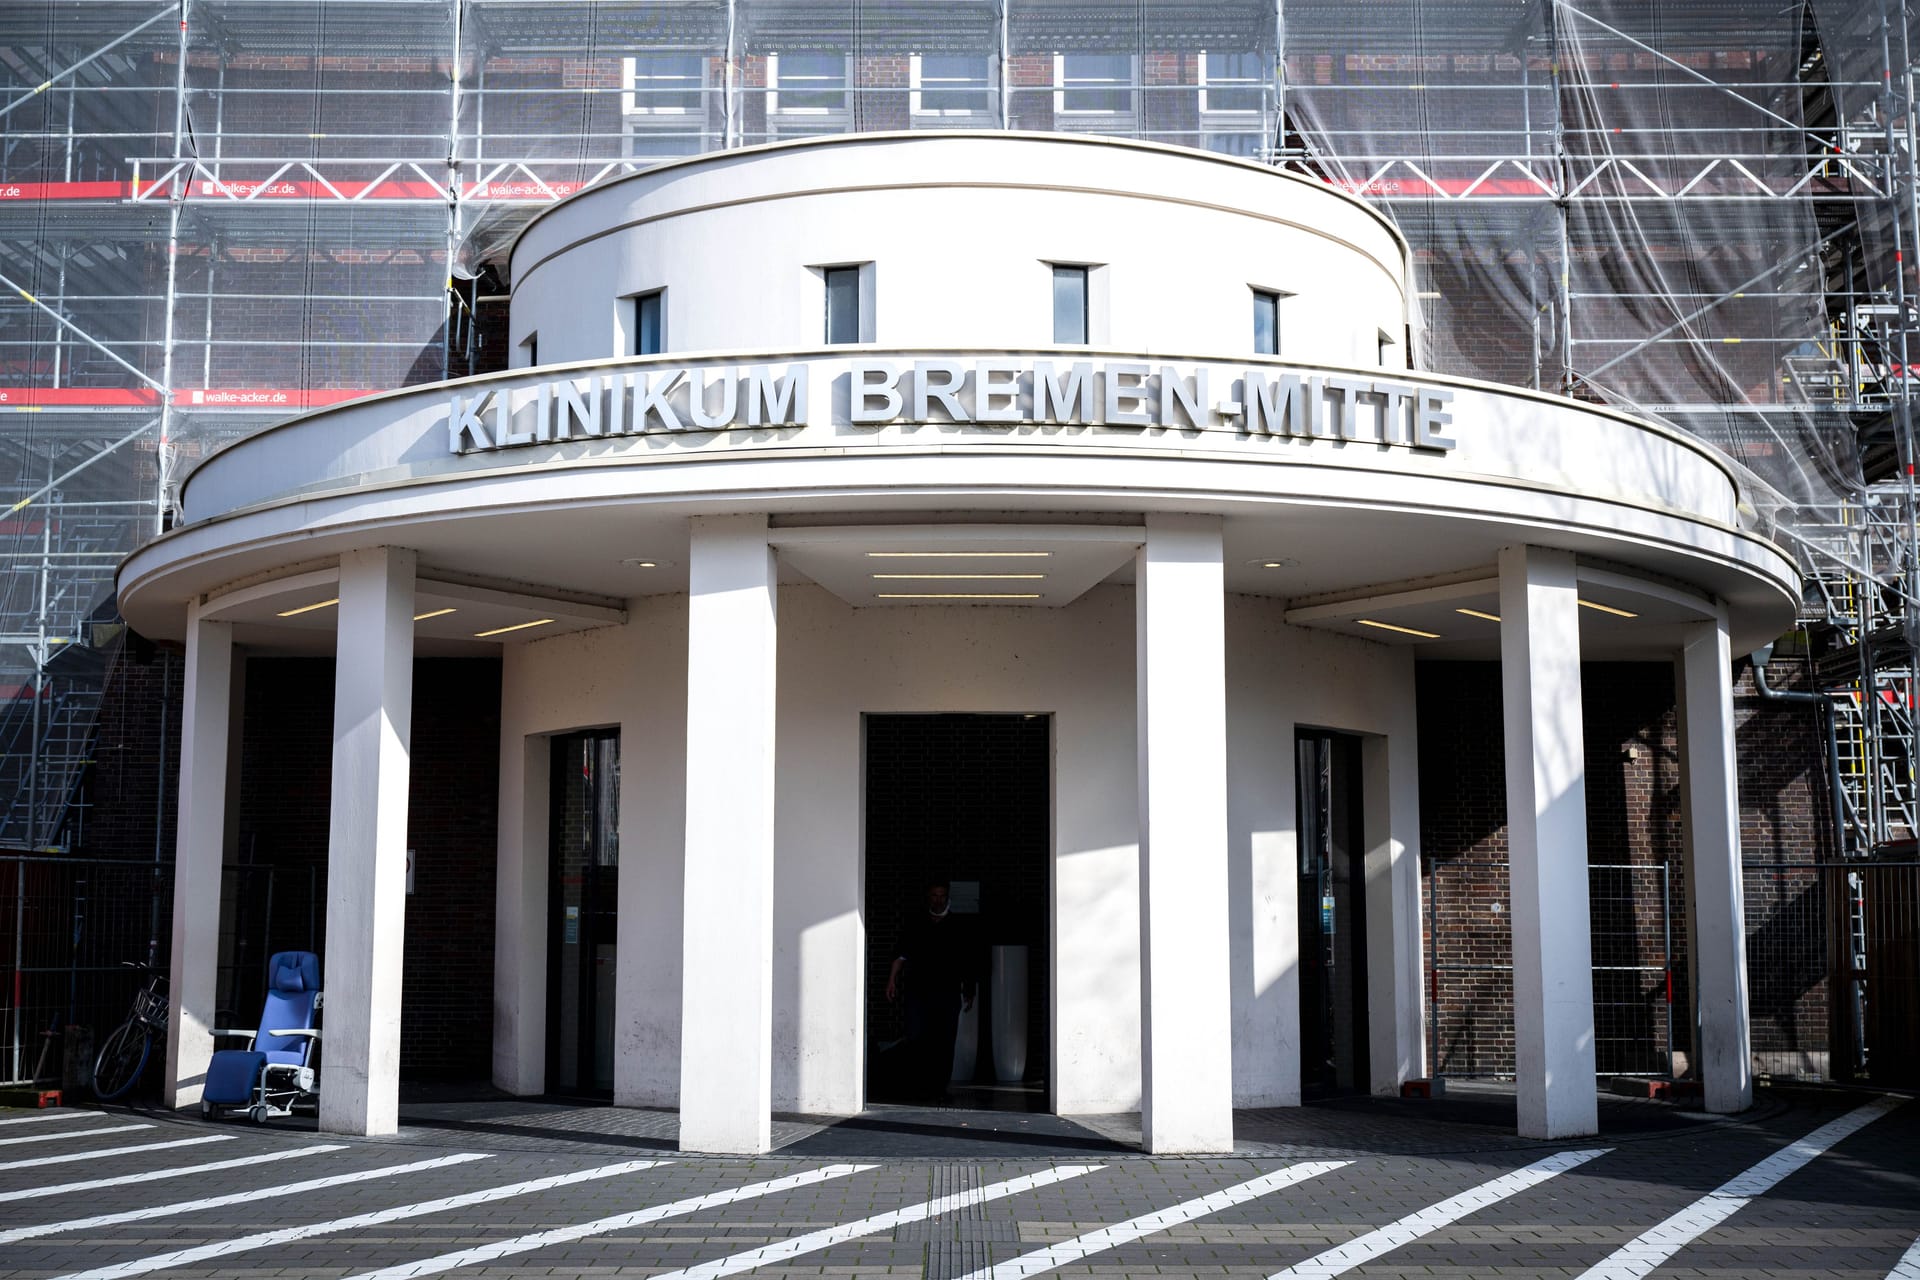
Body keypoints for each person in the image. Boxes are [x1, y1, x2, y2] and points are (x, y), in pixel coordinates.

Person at [886, 879, 977, 1103]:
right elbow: (901, 955)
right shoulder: (916, 923)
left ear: (947, 897)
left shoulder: (957, 926)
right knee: (918, 1037)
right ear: (928, 897)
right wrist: (891, 981)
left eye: (942, 895)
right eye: (934, 895)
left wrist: (969, 989)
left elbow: (967, 961)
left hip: (947, 991)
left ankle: (939, 1087)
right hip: (919, 991)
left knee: (945, 1040)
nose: (938, 899)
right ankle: (920, 1085)